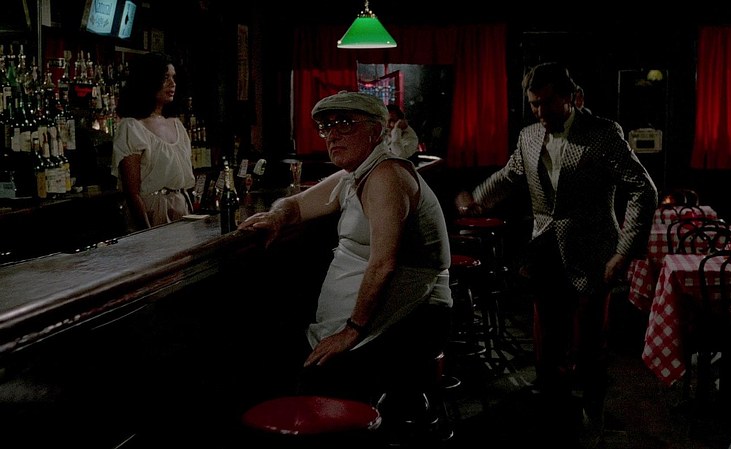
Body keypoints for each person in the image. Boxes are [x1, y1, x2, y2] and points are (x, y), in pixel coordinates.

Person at [455, 62, 657, 447]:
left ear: (571, 97)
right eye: (533, 104)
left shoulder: (602, 133)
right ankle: (553, 413)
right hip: (544, 249)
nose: (539, 111)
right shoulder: (529, 135)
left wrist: (623, 251)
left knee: (589, 343)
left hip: (594, 252)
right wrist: (476, 200)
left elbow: (642, 190)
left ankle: (593, 408)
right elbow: (510, 175)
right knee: (546, 340)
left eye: (547, 102)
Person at [237, 91, 453, 405]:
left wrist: (351, 331)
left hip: (414, 318)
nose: (333, 135)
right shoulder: (354, 174)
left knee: (309, 378)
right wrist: (275, 217)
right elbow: (295, 205)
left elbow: (383, 265)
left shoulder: (387, 176)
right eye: (326, 127)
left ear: (376, 131)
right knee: (279, 358)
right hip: (369, 318)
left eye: (345, 123)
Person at [111, 52, 195, 231]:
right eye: (165, 78)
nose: (172, 83)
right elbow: (132, 193)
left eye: (173, 77)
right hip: (152, 211)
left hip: (181, 209)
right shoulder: (132, 127)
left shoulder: (176, 124)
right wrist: (148, 232)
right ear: (148, 81)